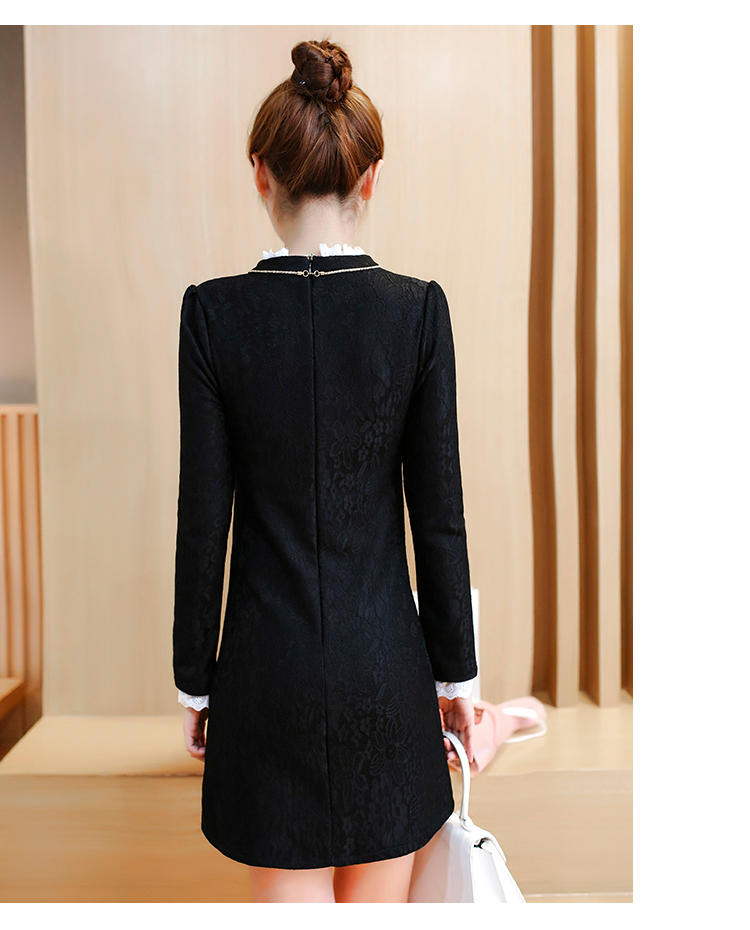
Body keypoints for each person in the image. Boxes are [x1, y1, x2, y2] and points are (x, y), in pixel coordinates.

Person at [172, 38, 478, 904]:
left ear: (260, 173)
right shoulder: (417, 312)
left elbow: (204, 519)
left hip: (264, 682)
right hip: (386, 680)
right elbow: (439, 517)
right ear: (369, 178)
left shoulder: (212, 316)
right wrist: (456, 678)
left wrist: (195, 681)